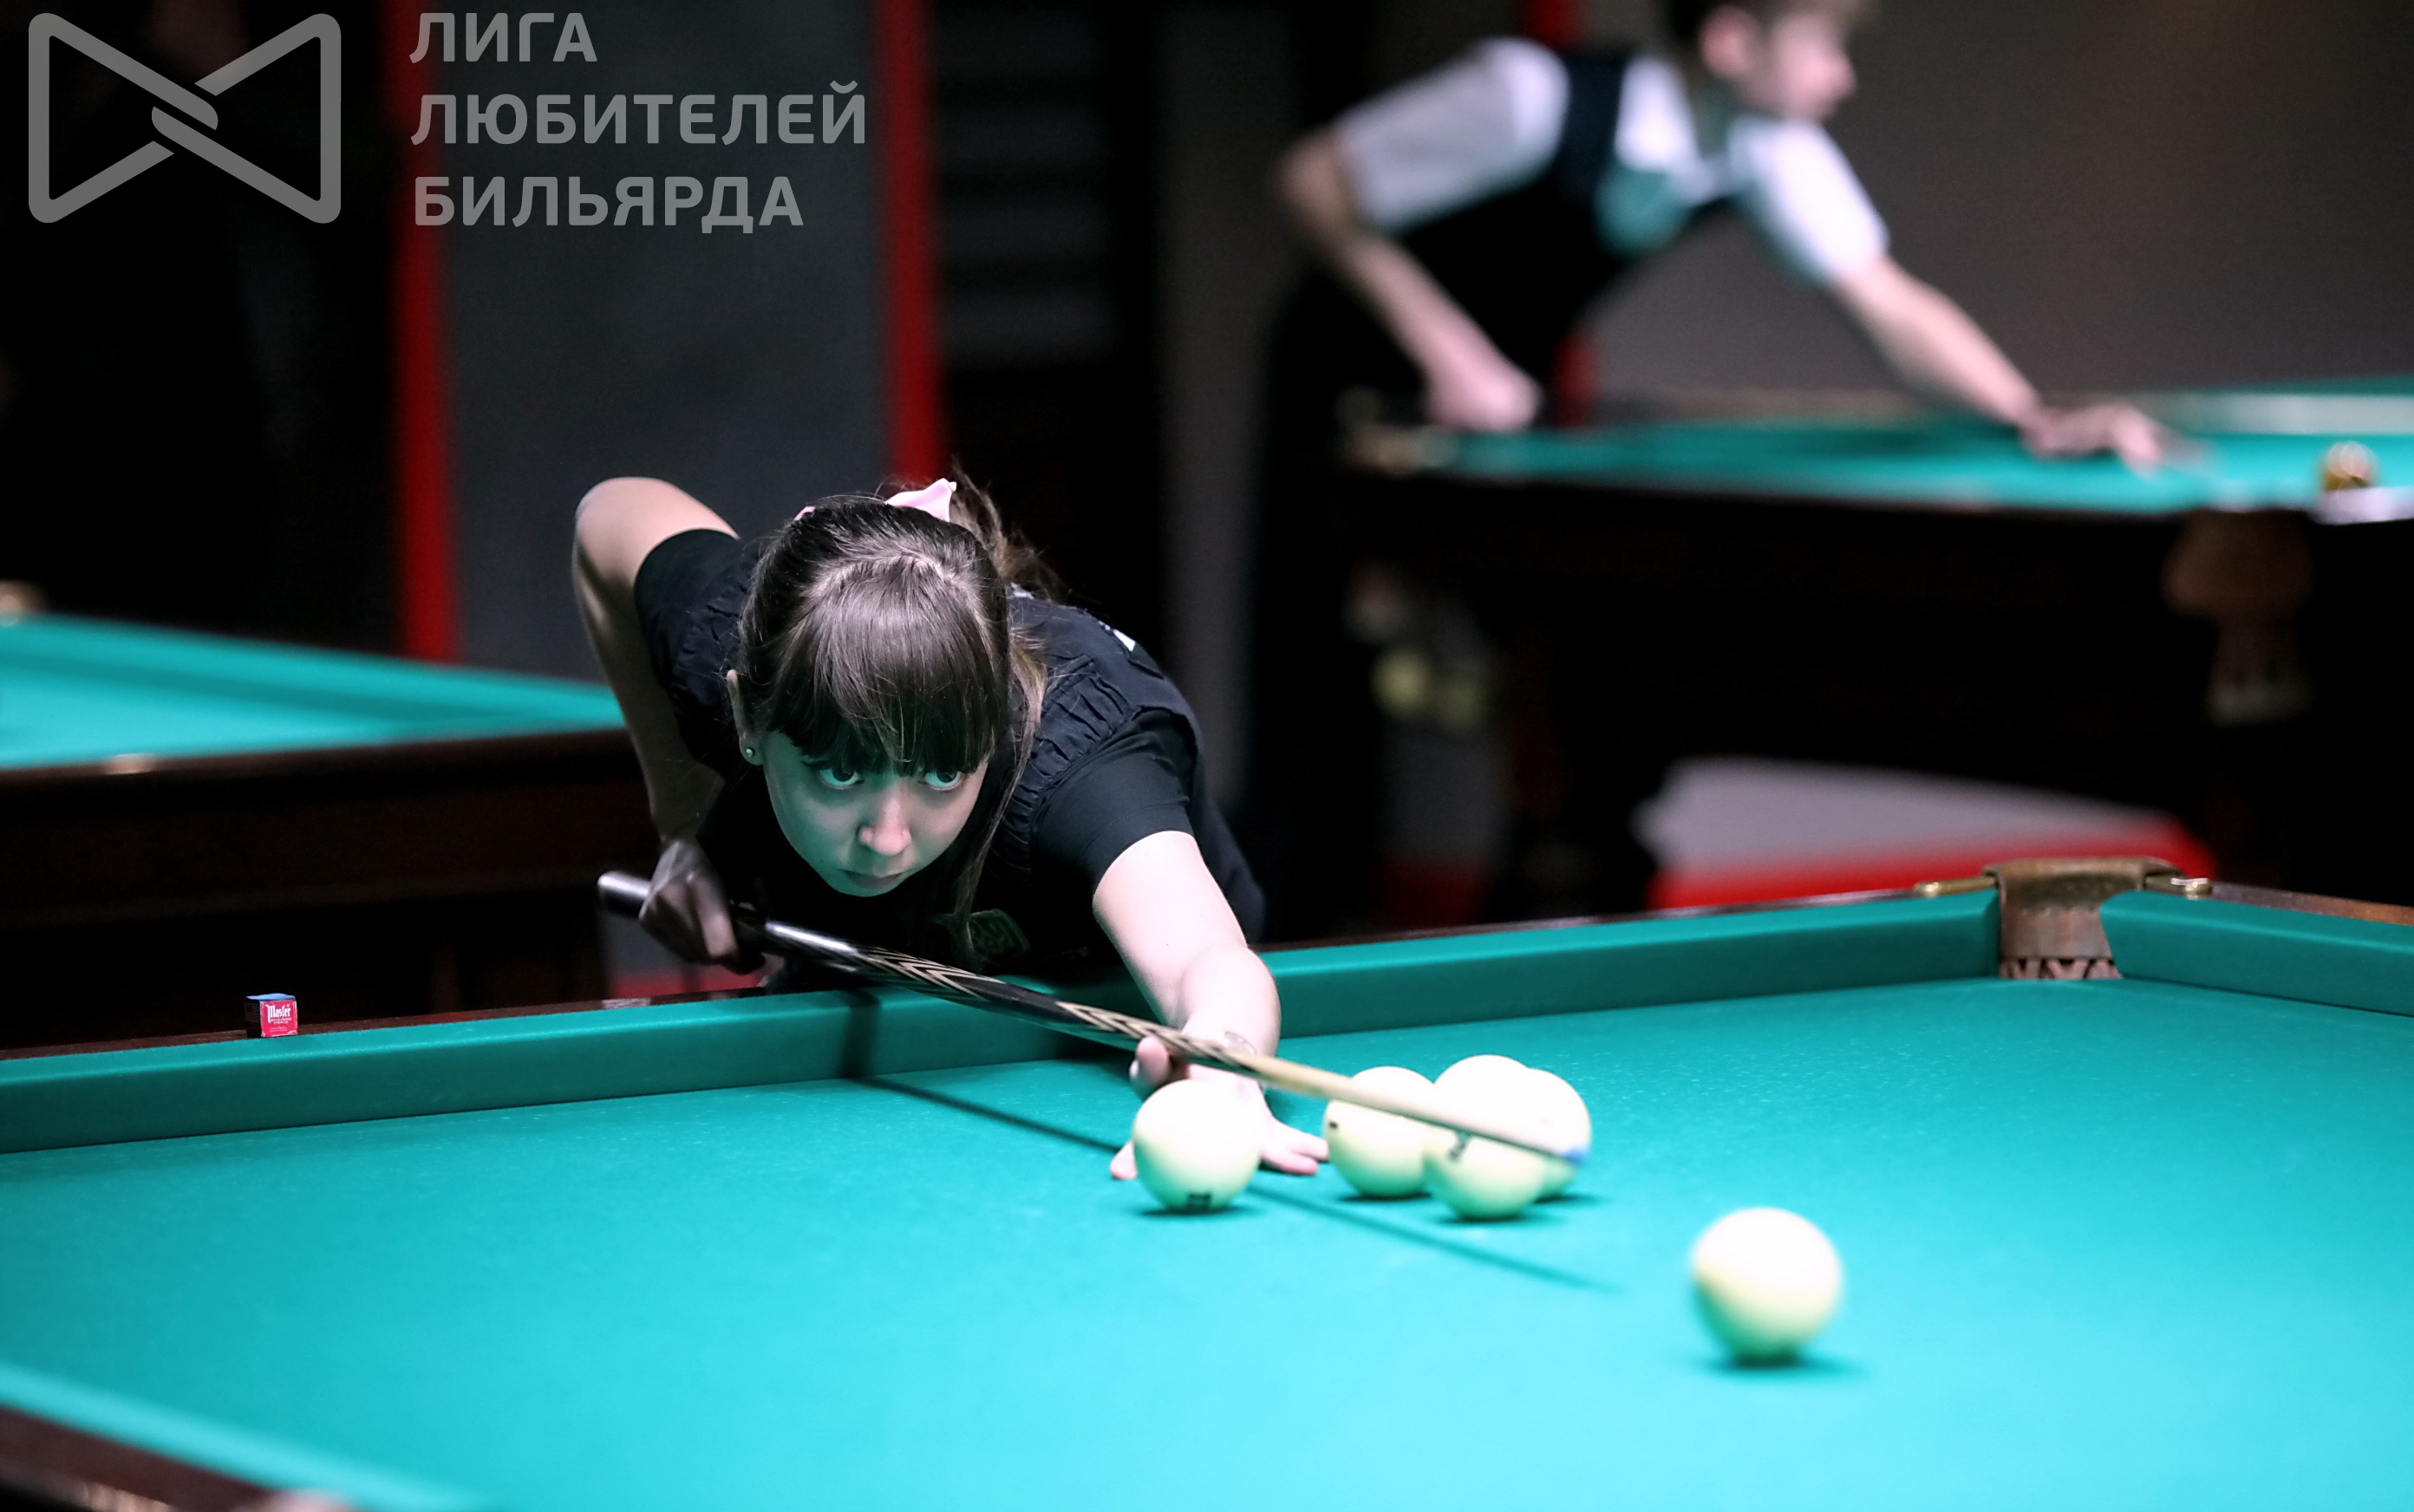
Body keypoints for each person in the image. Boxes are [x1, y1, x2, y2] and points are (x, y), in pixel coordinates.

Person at [1243, 0, 2173, 934]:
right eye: (1824, 44)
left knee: (1534, 699)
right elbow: (1311, 181)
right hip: (1345, 387)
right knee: (1308, 688)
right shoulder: (1528, 95)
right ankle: (1261, 948)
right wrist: (1448, 349)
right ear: (1732, 40)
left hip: (1496, 417)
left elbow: (1889, 303)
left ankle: (1501, 937)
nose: (1842, 75)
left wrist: (2029, 415)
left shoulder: (1760, 145)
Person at [573, 473, 1324, 1182]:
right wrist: (686, 826)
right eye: (841, 775)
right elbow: (611, 516)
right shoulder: (739, 640)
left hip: (1111, 992)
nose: (888, 838)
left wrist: (1222, 1059)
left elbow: (1203, 958)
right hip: (860, 982)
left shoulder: (1079, 768)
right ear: (747, 716)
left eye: (940, 776)